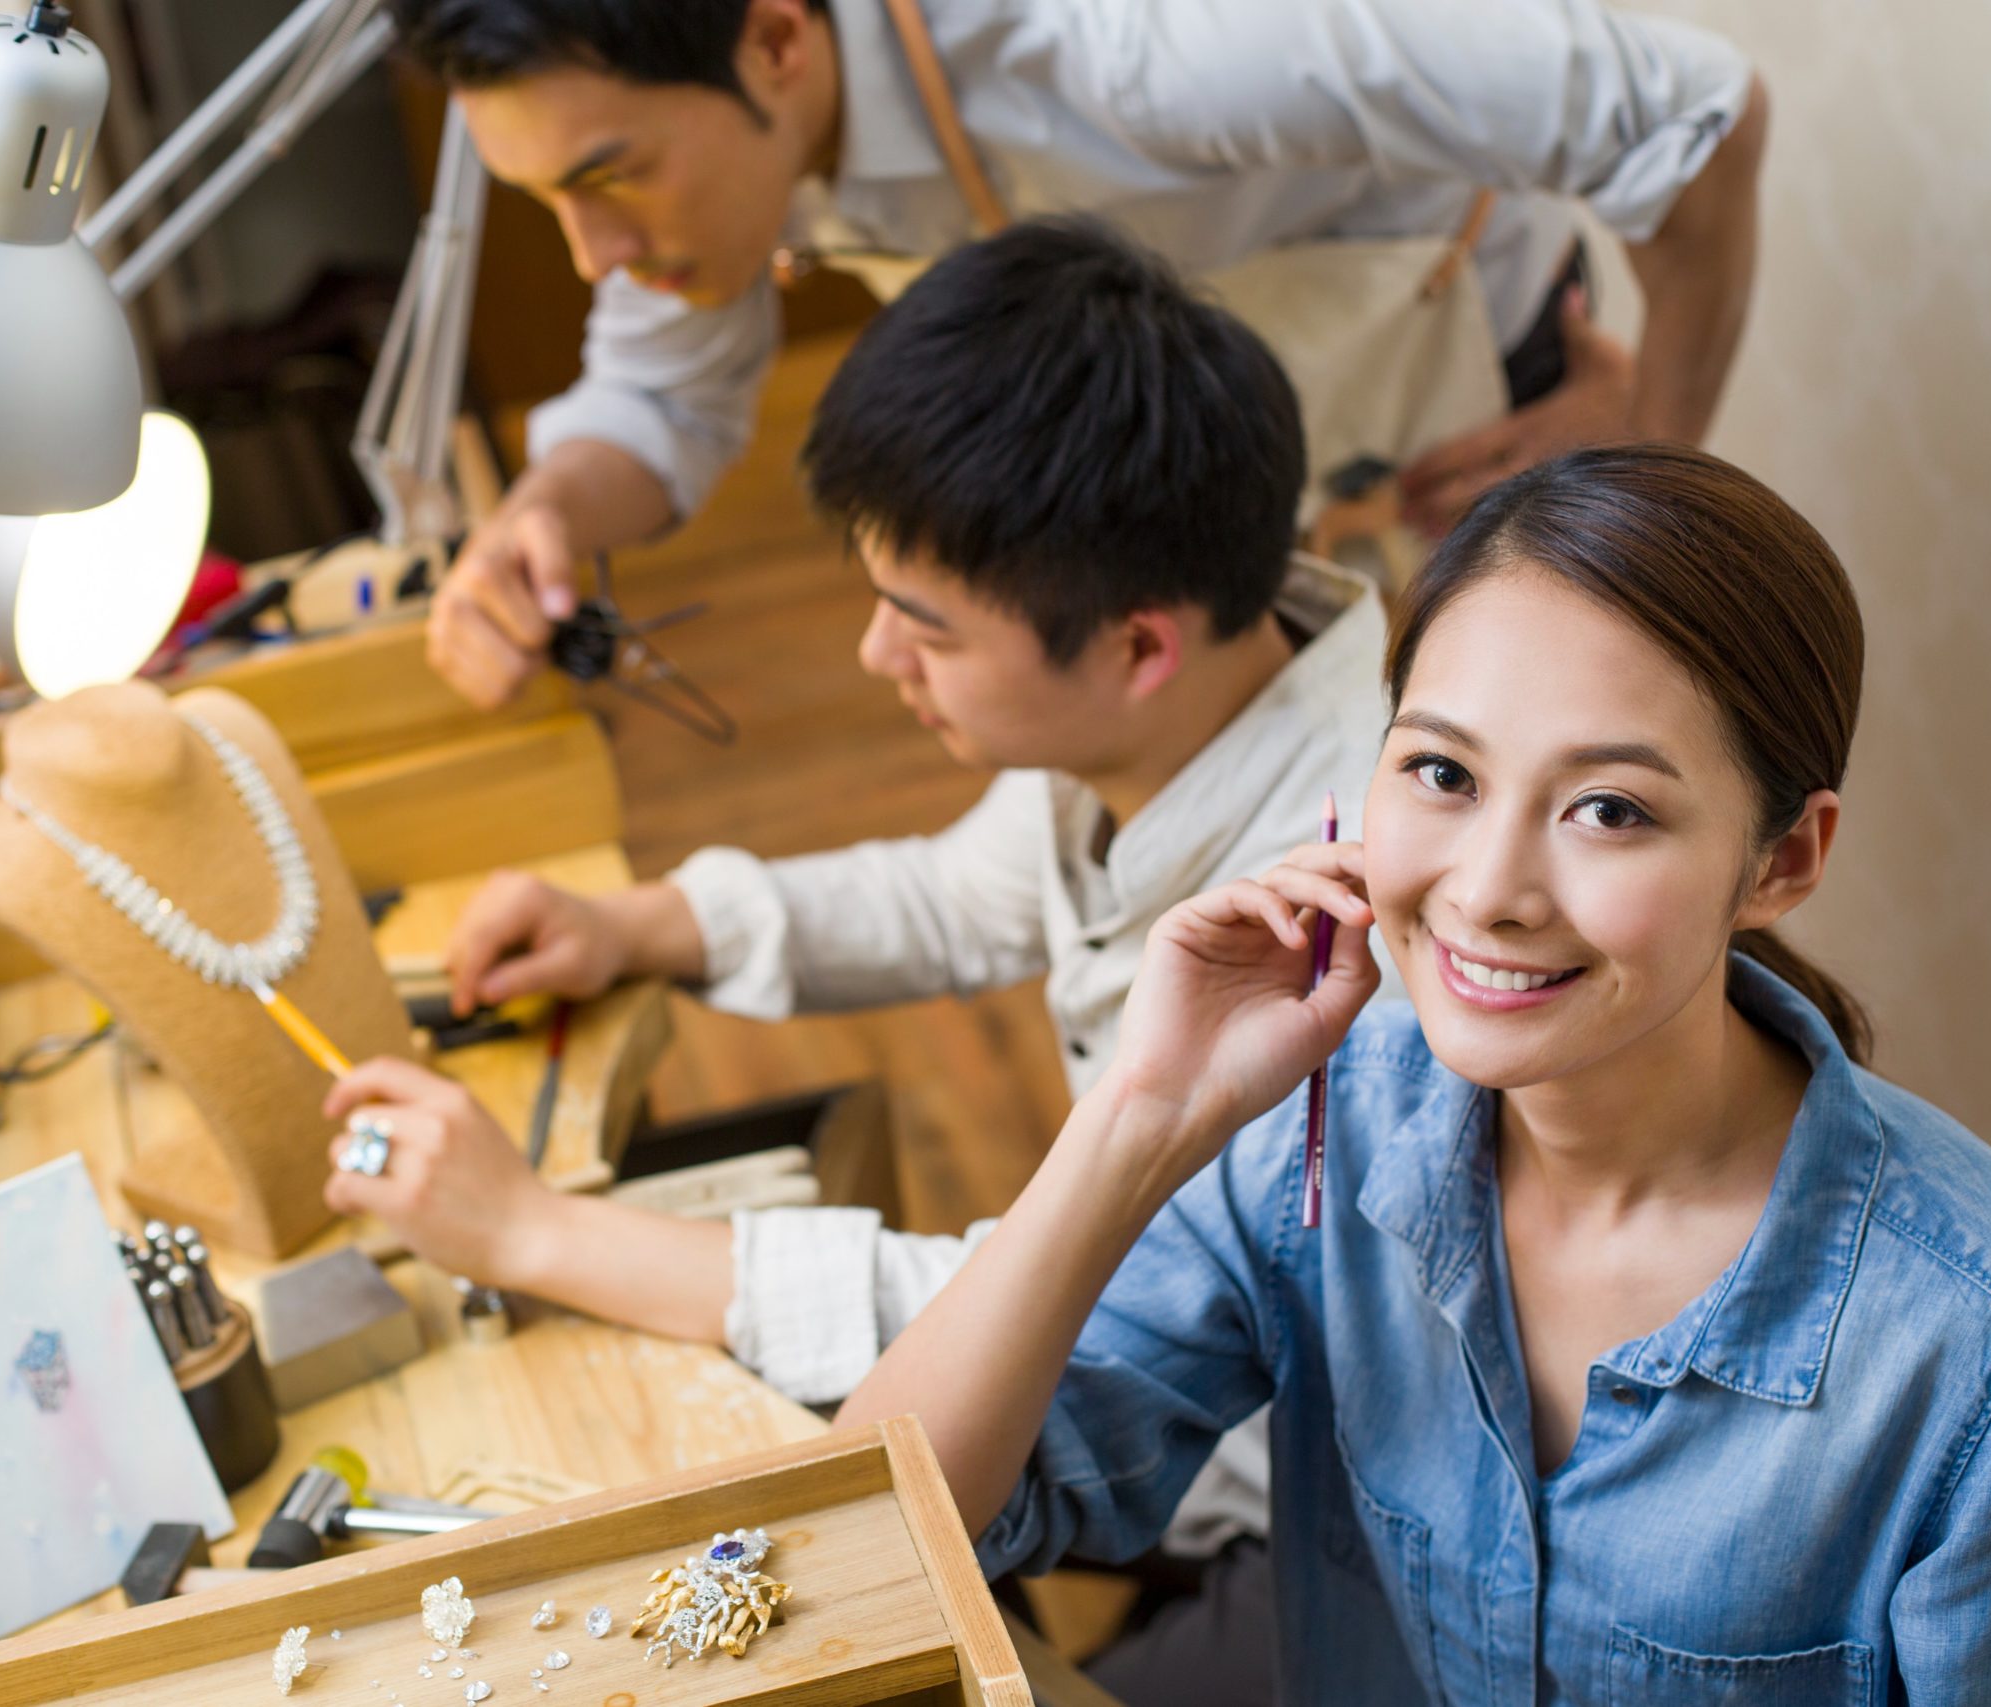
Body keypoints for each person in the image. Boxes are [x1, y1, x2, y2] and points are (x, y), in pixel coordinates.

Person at [831, 443, 1991, 1703]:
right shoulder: (1328, 1124)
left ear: (1783, 860)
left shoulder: (1986, 1342)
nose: (1489, 891)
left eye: (1612, 810)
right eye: (1444, 772)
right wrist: (1139, 1115)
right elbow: (892, 1539)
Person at [319, 218, 1391, 1689]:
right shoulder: (1213, 679)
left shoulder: (1341, 934)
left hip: (1334, 1527)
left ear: (1139, 644)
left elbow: (1036, 1314)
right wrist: (645, 922)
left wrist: (537, 1236)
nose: (879, 662)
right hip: (1171, 1445)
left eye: (922, 628)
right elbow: (958, 894)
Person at [391, 0, 1770, 709]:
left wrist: (1649, 449)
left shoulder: (1140, 54)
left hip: (1467, 431)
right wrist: (547, 511)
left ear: (775, 36)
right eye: (547, 203)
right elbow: (655, 394)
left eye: (610, 180)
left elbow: (1693, 118)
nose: (588, 255)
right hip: (1205, 515)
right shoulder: (713, 125)